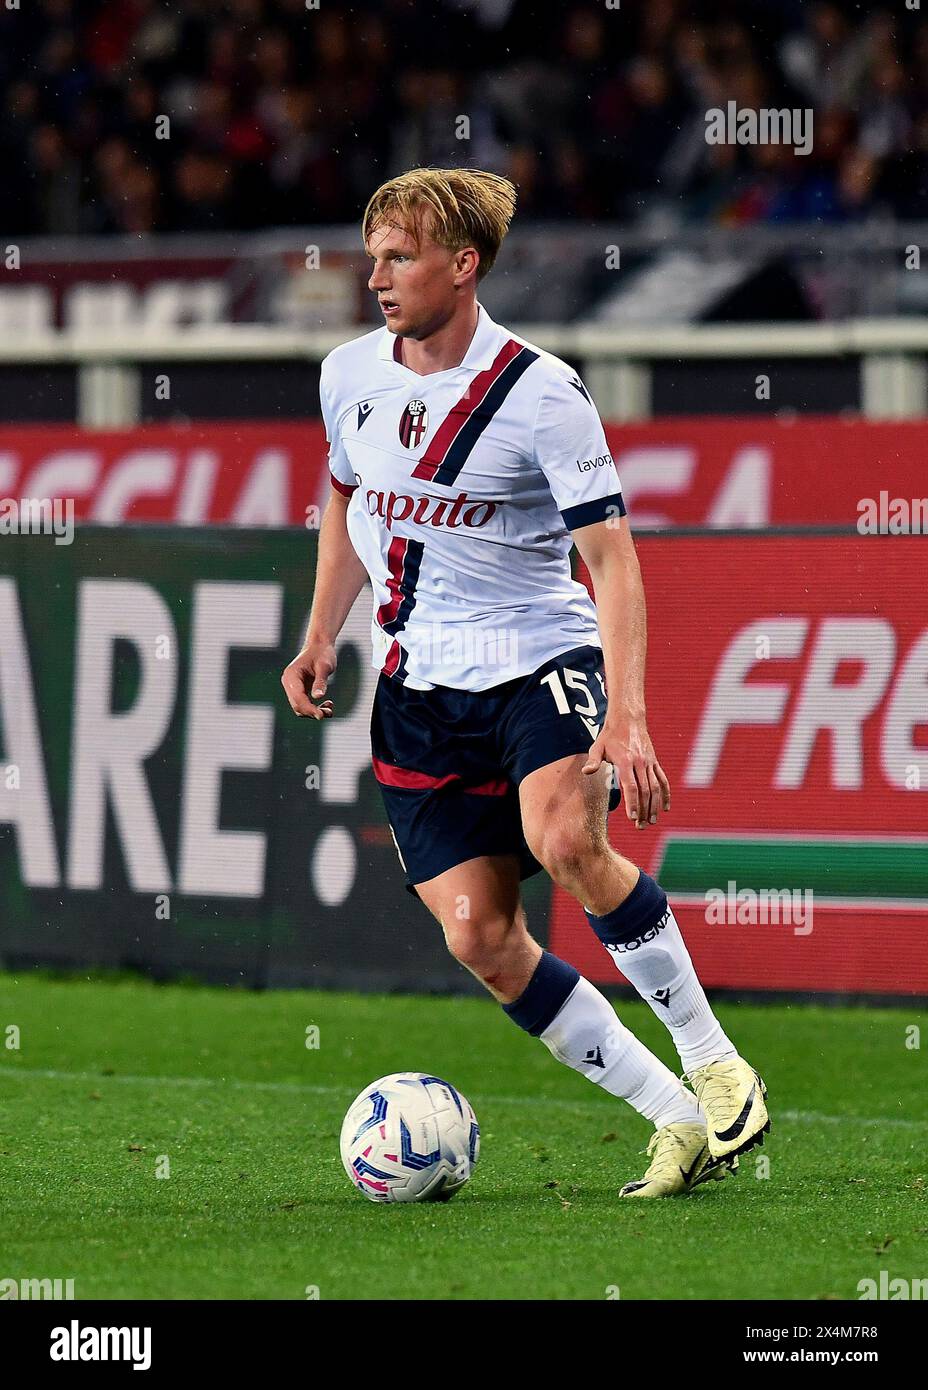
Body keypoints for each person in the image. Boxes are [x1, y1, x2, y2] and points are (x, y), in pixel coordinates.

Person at [282, 166, 769, 1196]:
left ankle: (719, 1067)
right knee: (479, 937)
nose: (376, 276)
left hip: (538, 660)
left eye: (399, 256)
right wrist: (320, 630)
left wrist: (628, 717)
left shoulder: (539, 393)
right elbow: (342, 501)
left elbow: (614, 562)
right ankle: (674, 1118)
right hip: (417, 694)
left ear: (462, 265)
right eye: (372, 256)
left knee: (565, 839)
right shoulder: (347, 376)